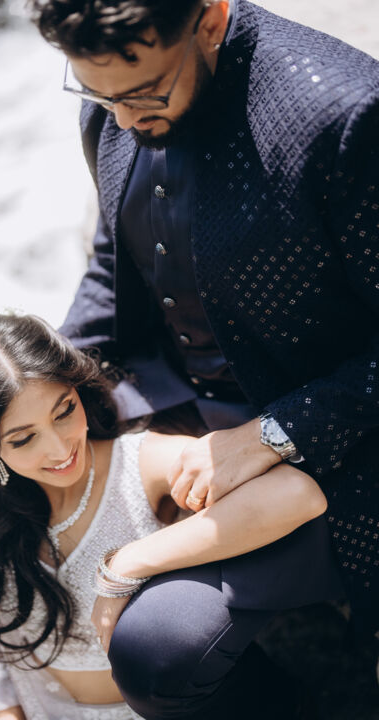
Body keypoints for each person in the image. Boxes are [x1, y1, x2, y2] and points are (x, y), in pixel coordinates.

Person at [27, 0, 379, 715]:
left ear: (211, 19)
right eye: (95, 93)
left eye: (143, 95)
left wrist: (273, 434)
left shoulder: (345, 115)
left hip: (338, 446)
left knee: (154, 653)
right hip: (176, 408)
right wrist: (39, 384)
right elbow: (114, 260)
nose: (120, 119)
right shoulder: (116, 98)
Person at [0, 312, 331, 720]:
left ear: (76, 388)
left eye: (64, 411)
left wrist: (127, 563)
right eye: (24, 438)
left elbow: (297, 494)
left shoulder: (140, 464)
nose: (60, 449)